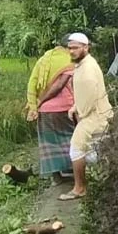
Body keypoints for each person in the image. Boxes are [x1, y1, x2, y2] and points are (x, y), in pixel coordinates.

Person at [58, 32, 113, 201]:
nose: (71, 51)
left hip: (93, 116)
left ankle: (80, 188)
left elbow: (89, 96)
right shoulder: (82, 64)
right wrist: (75, 106)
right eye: (70, 48)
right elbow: (83, 94)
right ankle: (110, 179)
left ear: (86, 47)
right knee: (98, 149)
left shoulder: (87, 68)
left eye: (75, 48)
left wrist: (81, 113)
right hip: (94, 114)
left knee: (76, 149)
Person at [25, 36, 75, 186]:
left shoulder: (44, 60)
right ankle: (75, 172)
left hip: (45, 111)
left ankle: (57, 177)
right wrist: (43, 99)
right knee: (71, 139)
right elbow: (59, 86)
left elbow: (32, 82)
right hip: (64, 108)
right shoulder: (68, 60)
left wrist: (35, 104)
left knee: (50, 142)